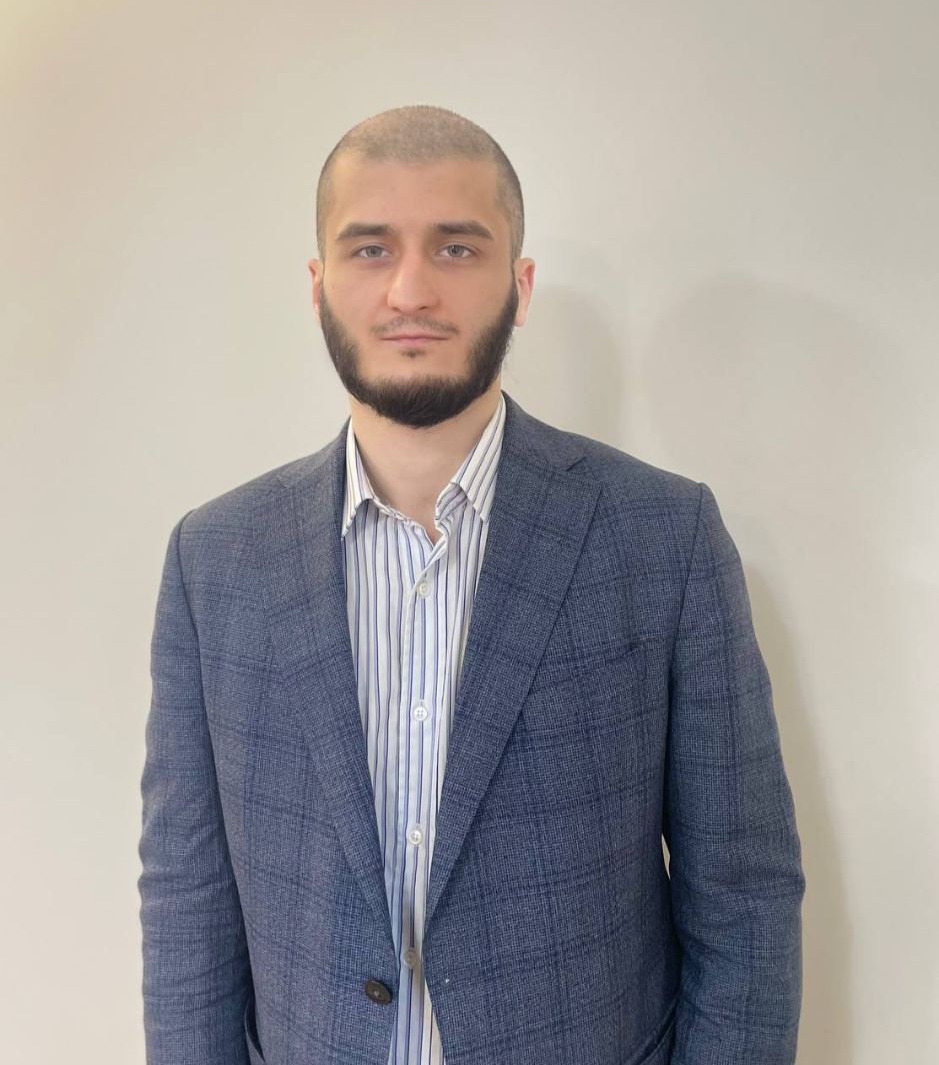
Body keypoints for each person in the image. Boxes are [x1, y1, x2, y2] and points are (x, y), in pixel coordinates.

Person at [138, 104, 805, 1065]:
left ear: (519, 286)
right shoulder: (217, 561)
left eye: (456, 248)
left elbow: (742, 894)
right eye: (370, 249)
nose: (411, 289)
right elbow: (188, 899)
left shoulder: (663, 537)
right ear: (318, 287)